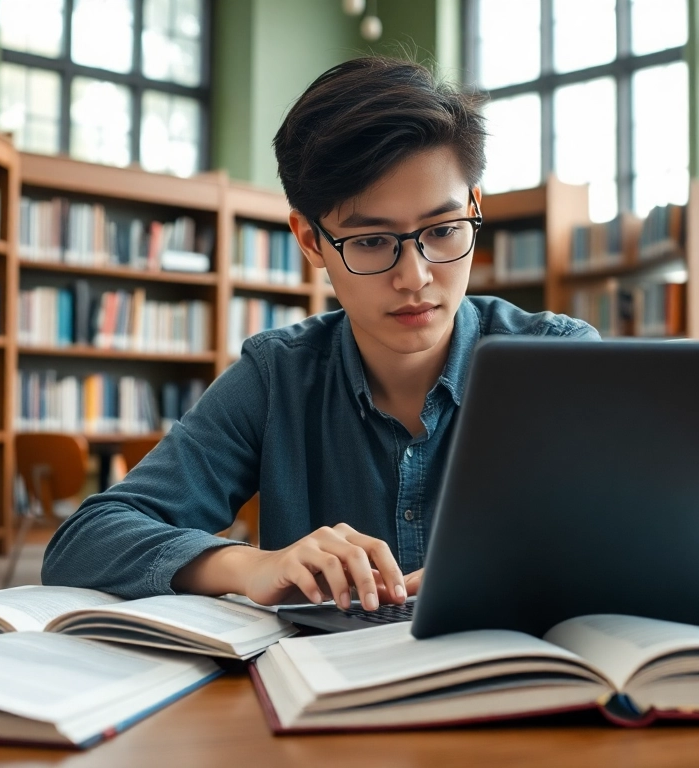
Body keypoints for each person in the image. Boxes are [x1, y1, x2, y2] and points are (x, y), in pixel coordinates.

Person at [42, 56, 599, 611]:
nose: (416, 277)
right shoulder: (276, 378)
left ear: (474, 208)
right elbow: (85, 539)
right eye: (371, 242)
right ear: (310, 240)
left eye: (445, 230)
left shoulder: (560, 360)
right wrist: (250, 564)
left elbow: (648, 532)